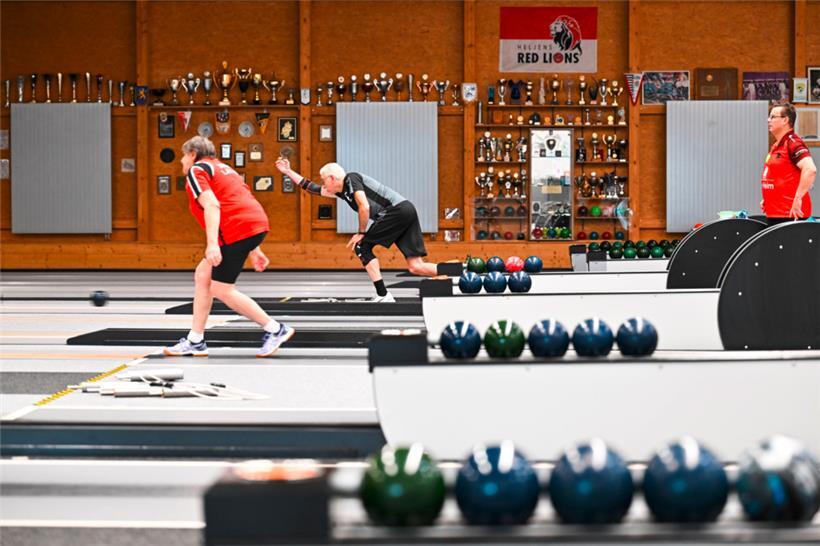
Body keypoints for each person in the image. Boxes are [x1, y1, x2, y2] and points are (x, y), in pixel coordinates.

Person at [164, 136, 294, 357]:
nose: (181, 161)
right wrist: (254, 248)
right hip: (253, 224)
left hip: (235, 231)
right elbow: (237, 200)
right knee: (203, 275)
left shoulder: (197, 170)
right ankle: (196, 340)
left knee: (222, 289)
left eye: (184, 156)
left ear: (193, 154)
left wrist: (213, 244)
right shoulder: (225, 168)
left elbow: (213, 204)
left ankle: (276, 329)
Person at [274, 159, 449, 302]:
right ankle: (461, 274)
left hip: (396, 211)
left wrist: (361, 233)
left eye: (324, 180)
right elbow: (310, 188)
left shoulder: (351, 178)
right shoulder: (342, 191)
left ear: (333, 178)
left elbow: (363, 207)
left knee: (361, 246)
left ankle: (383, 295)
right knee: (416, 266)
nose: (323, 184)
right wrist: (288, 172)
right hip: (406, 210)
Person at [760, 102, 817, 226]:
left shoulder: (793, 143)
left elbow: (810, 169)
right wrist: (769, 197)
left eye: (772, 117)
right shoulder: (776, 145)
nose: (768, 120)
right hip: (775, 214)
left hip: (790, 215)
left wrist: (798, 198)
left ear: (785, 120)